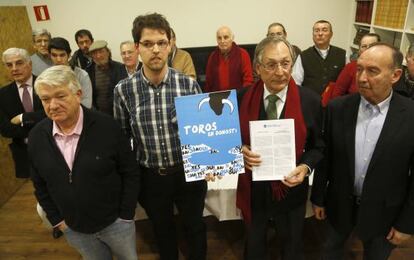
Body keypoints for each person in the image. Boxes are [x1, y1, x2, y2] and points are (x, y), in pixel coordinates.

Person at [114, 13, 207, 260]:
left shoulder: (187, 85)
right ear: (137, 47)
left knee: (195, 227)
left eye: (162, 43)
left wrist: (210, 160)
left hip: (189, 174)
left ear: (170, 45)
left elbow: (204, 132)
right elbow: (122, 139)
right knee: (162, 230)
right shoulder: (123, 90)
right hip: (151, 177)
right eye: (147, 43)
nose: (155, 49)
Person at [311, 43, 414, 260]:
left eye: (372, 71)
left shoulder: (410, 116)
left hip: (385, 214)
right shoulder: (337, 109)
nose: (362, 78)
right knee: (331, 251)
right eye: (359, 69)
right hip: (339, 206)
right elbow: (325, 158)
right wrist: (318, 198)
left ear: (395, 75)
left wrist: (407, 223)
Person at [29, 65, 140, 260]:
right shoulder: (37, 136)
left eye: (60, 96)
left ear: (78, 94)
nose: (52, 105)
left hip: (116, 224)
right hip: (73, 228)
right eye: (46, 99)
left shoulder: (108, 127)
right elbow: (39, 184)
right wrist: (57, 221)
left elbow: (130, 171)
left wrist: (126, 215)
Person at [237, 37, 324, 260]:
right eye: (271, 64)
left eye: (285, 63)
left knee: (292, 246)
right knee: (254, 246)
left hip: (292, 189)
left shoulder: (310, 101)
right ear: (258, 68)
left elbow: (318, 147)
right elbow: (230, 142)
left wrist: (305, 167)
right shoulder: (241, 98)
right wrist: (240, 151)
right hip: (254, 190)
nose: (280, 71)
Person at [0, 48, 45, 178]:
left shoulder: (46, 85)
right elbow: (5, 129)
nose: (14, 68)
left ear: (29, 64)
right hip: (24, 152)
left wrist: (23, 118)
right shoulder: (2, 95)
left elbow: (52, 115)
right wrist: (39, 127)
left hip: (53, 146)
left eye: (19, 63)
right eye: (9, 65)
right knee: (37, 190)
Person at [292, 20, 346, 94]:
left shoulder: (342, 55)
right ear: (312, 34)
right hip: (310, 102)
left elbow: (346, 83)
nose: (320, 33)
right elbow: (295, 84)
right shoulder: (303, 56)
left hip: (335, 102)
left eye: (324, 30)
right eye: (316, 31)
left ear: (331, 34)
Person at [204, 26, 254, 92]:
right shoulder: (213, 56)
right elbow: (208, 82)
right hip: (217, 99)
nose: (222, 41)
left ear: (232, 38)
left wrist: (243, 96)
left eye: (226, 37)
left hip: (239, 98)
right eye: (219, 38)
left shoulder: (243, 54)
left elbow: (248, 80)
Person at [331, 33, 381, 99]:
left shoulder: (385, 67)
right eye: (364, 46)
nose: (368, 49)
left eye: (372, 46)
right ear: (359, 50)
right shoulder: (350, 67)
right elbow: (337, 94)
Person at [48, 37, 93, 108]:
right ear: (49, 56)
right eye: (54, 55)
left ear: (68, 55)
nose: (58, 59)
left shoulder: (82, 75)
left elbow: (87, 104)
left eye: (62, 55)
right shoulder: (47, 77)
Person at [86, 40, 127, 115]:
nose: (98, 56)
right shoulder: (89, 71)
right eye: (95, 53)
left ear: (108, 52)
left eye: (101, 51)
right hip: (98, 115)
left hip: (118, 113)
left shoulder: (120, 68)